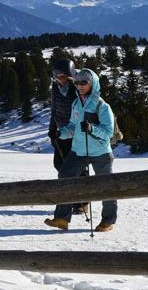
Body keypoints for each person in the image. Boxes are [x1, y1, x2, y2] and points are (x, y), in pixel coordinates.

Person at [44, 68, 117, 232]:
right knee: (64, 176)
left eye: (84, 83)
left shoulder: (102, 106)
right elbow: (72, 127)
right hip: (79, 151)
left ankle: (108, 221)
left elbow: (108, 133)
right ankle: (62, 218)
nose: (80, 86)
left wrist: (91, 129)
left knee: (107, 186)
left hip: (101, 153)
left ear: (93, 84)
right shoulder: (76, 103)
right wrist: (59, 133)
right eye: (77, 82)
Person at [48, 59, 87, 215]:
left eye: (62, 76)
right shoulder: (56, 88)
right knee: (59, 164)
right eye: (56, 76)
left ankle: (82, 202)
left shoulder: (78, 87)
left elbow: (86, 107)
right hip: (61, 132)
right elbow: (54, 109)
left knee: (78, 167)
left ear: (70, 75)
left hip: (77, 132)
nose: (59, 79)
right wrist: (52, 127)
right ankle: (71, 198)